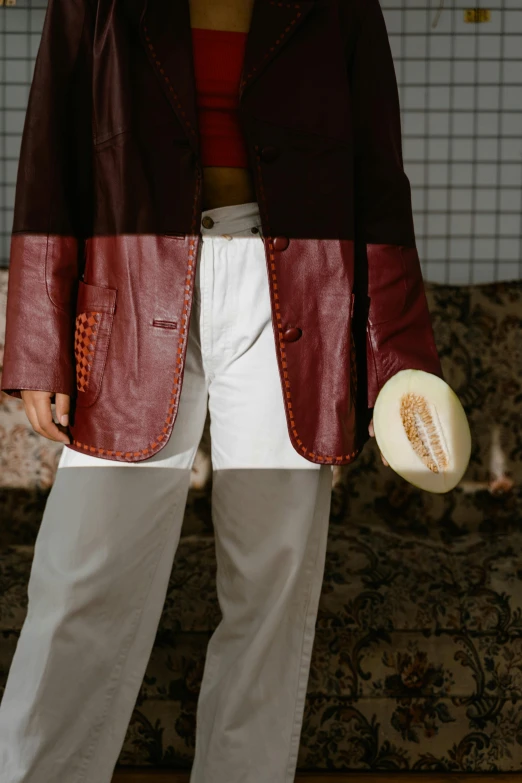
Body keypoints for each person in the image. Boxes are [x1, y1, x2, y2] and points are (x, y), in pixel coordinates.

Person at [0, 0, 443, 781]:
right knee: (81, 575)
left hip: (299, 287)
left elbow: (378, 174)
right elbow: (50, 155)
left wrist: (398, 354)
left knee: (270, 583)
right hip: (133, 284)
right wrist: (38, 342)